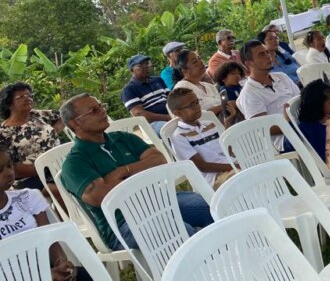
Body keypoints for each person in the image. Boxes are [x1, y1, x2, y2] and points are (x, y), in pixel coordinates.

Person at [59, 94, 214, 250]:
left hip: (159, 201)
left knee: (214, 205)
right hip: (124, 222)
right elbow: (101, 196)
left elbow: (159, 160)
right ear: (75, 123)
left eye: (101, 106)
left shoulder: (123, 138)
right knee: (178, 231)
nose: (102, 112)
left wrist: (122, 171)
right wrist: (141, 170)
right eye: (93, 110)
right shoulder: (74, 163)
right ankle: (209, 268)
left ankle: (230, 255)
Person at [0, 145, 91, 281]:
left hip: (47, 269)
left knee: (83, 276)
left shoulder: (28, 197)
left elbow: (49, 238)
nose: (8, 173)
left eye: (9, 165)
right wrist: (44, 276)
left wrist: (60, 262)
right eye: (0, 170)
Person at [0, 83, 64, 206]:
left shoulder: (38, 115)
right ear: (9, 104)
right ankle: (70, 221)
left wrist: (54, 131)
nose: (27, 98)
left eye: (29, 95)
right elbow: (13, 167)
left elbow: (63, 116)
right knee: (58, 190)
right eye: (20, 97)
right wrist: (42, 167)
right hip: (32, 177)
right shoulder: (4, 133)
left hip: (59, 165)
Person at [236, 39, 300, 151]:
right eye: (261, 54)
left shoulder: (281, 77)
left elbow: (300, 100)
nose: (268, 56)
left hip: (300, 122)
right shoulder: (249, 93)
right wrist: (287, 121)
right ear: (249, 63)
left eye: (267, 52)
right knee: (315, 127)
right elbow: (262, 128)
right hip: (285, 138)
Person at [167, 88, 235, 190]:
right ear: (178, 113)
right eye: (191, 105)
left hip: (231, 166)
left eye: (197, 102)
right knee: (247, 178)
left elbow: (228, 151)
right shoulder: (179, 136)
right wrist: (234, 166)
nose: (197, 107)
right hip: (214, 178)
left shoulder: (210, 124)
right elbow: (203, 166)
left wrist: (228, 123)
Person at [120, 54, 170, 135]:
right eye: (140, 65)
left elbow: (171, 98)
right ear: (131, 70)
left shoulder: (158, 80)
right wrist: (167, 118)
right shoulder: (129, 89)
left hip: (171, 115)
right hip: (152, 124)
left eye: (147, 64)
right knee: (173, 130)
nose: (145, 67)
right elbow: (140, 114)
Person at [172, 50, 225, 117]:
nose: (200, 62)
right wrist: (222, 107)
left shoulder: (209, 86)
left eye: (199, 58)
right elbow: (190, 117)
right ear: (185, 71)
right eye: (195, 62)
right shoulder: (182, 89)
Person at [213, 60, 246, 127]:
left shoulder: (240, 87)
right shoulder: (224, 90)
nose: (237, 76)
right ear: (223, 78)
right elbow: (227, 104)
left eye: (239, 73)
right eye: (233, 74)